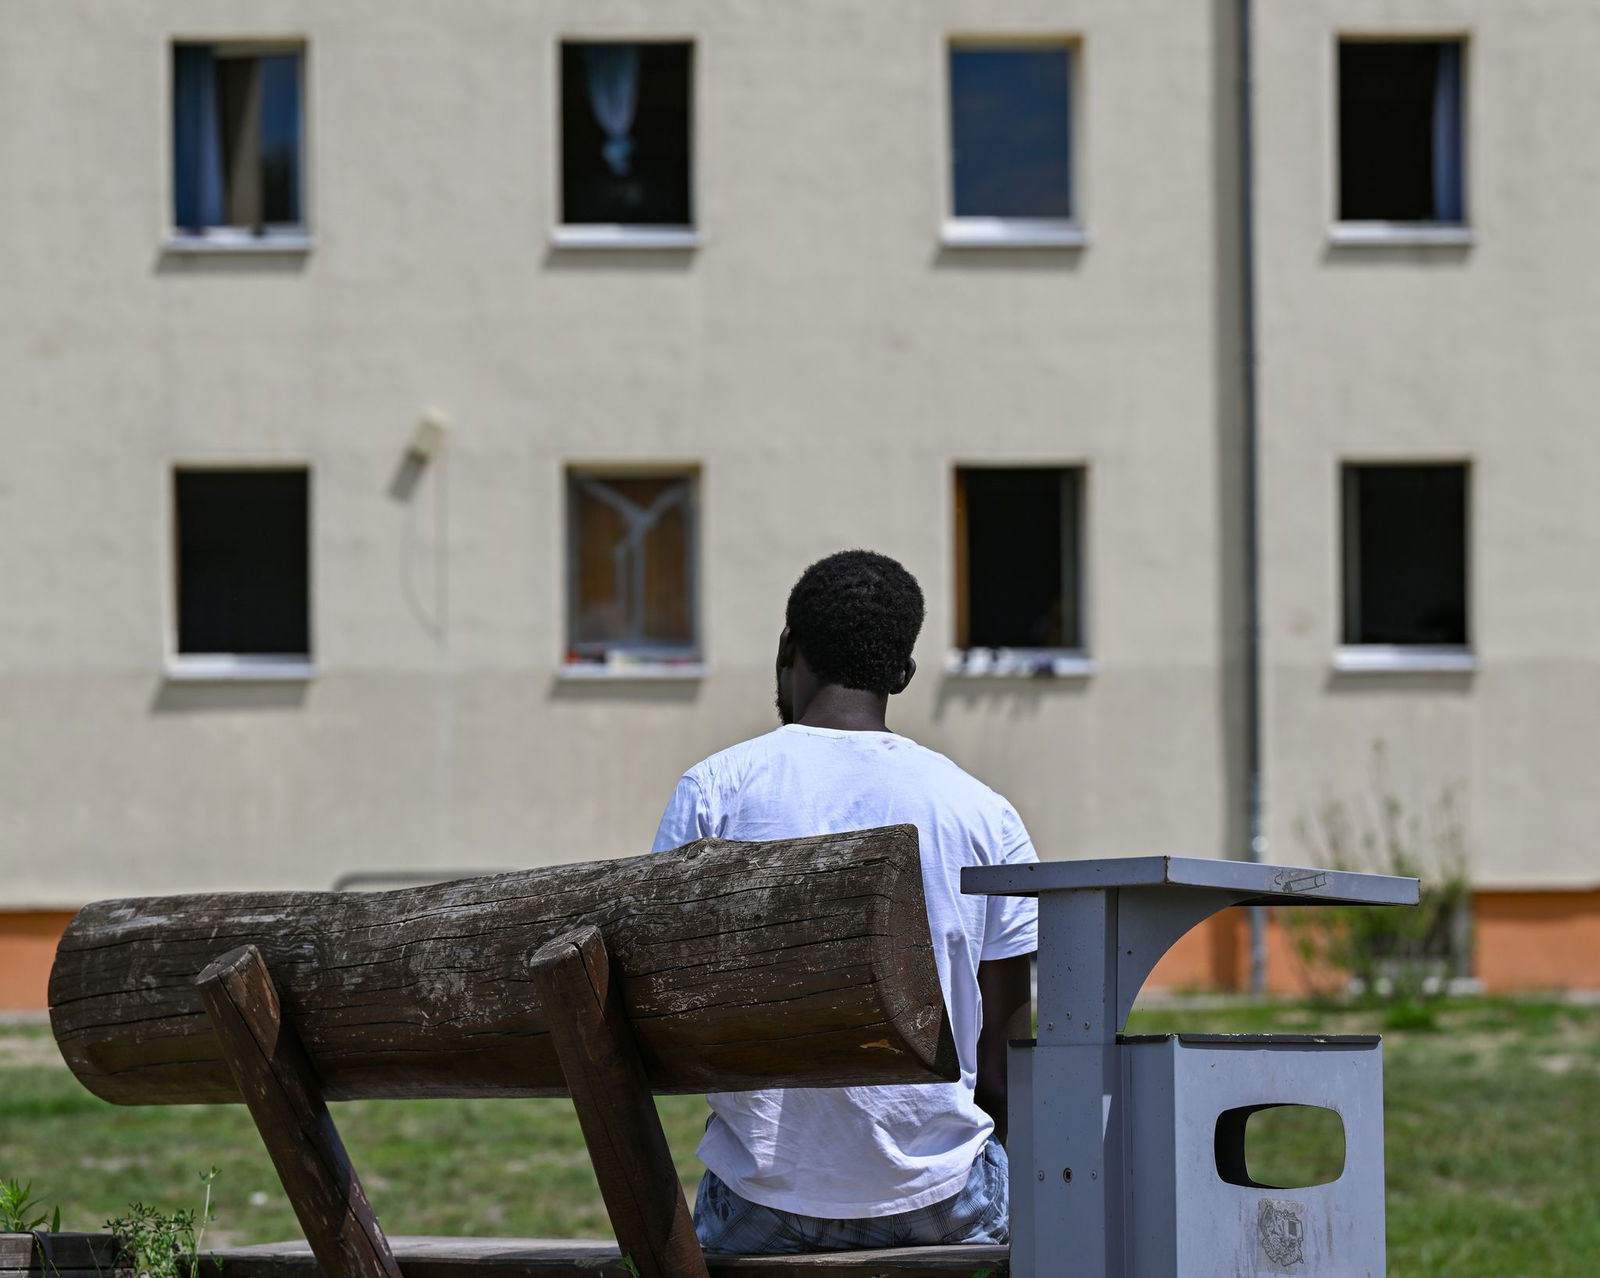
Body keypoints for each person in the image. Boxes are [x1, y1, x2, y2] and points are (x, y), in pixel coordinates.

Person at [650, 549, 1038, 1254]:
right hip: (942, 1196)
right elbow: (1005, 1067)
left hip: (762, 1201)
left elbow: (663, 1012)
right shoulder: (984, 814)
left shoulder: (716, 791)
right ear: (903, 674)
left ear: (787, 649)